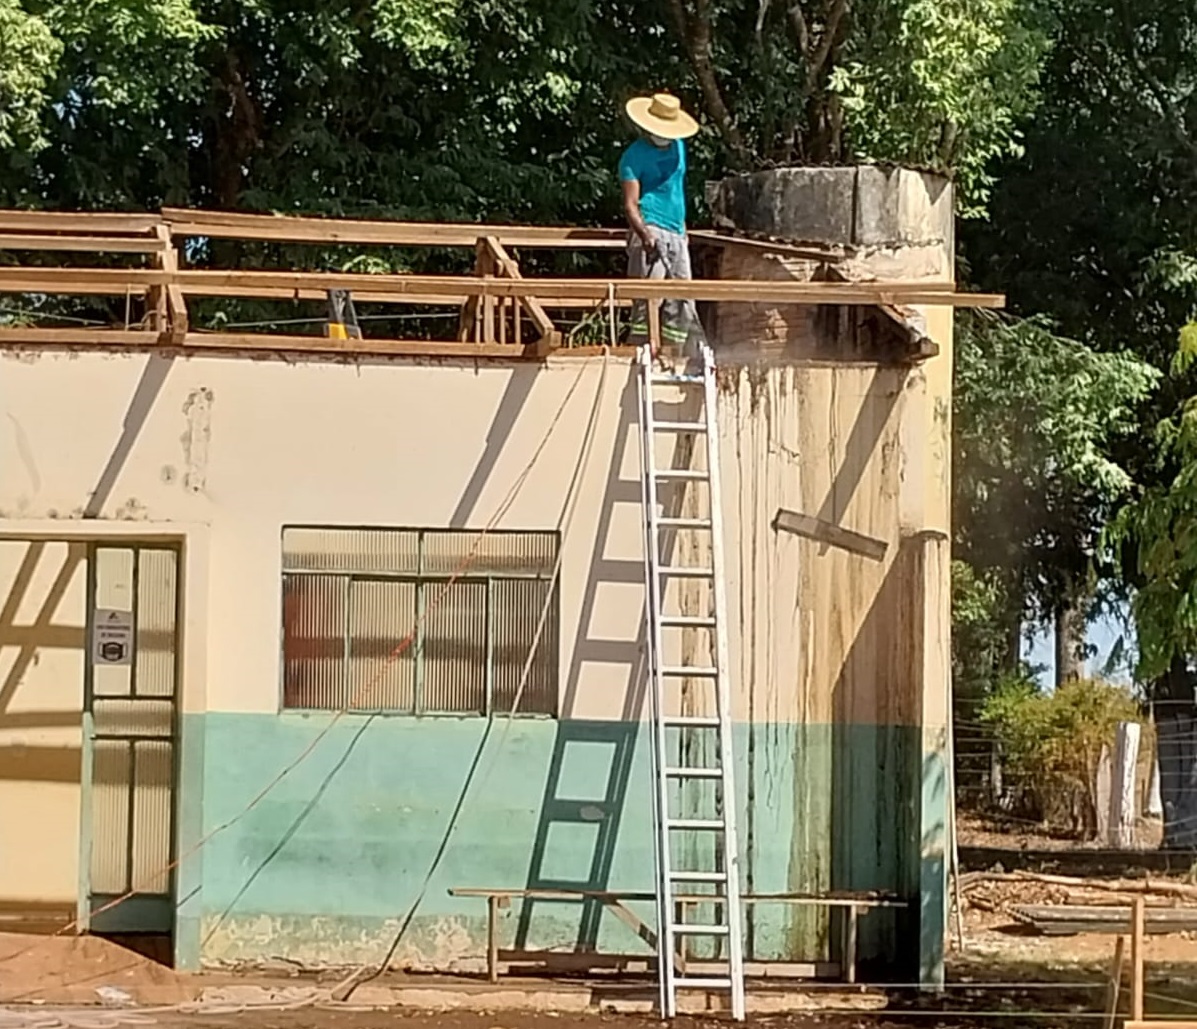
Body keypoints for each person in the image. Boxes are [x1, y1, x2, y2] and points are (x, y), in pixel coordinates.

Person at [618, 92, 704, 356]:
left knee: (682, 298)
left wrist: (683, 229)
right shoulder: (633, 157)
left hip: (677, 230)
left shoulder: (679, 147)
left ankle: (674, 350)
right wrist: (645, 235)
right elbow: (630, 204)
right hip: (650, 226)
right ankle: (642, 350)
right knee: (647, 299)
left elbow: (677, 188)